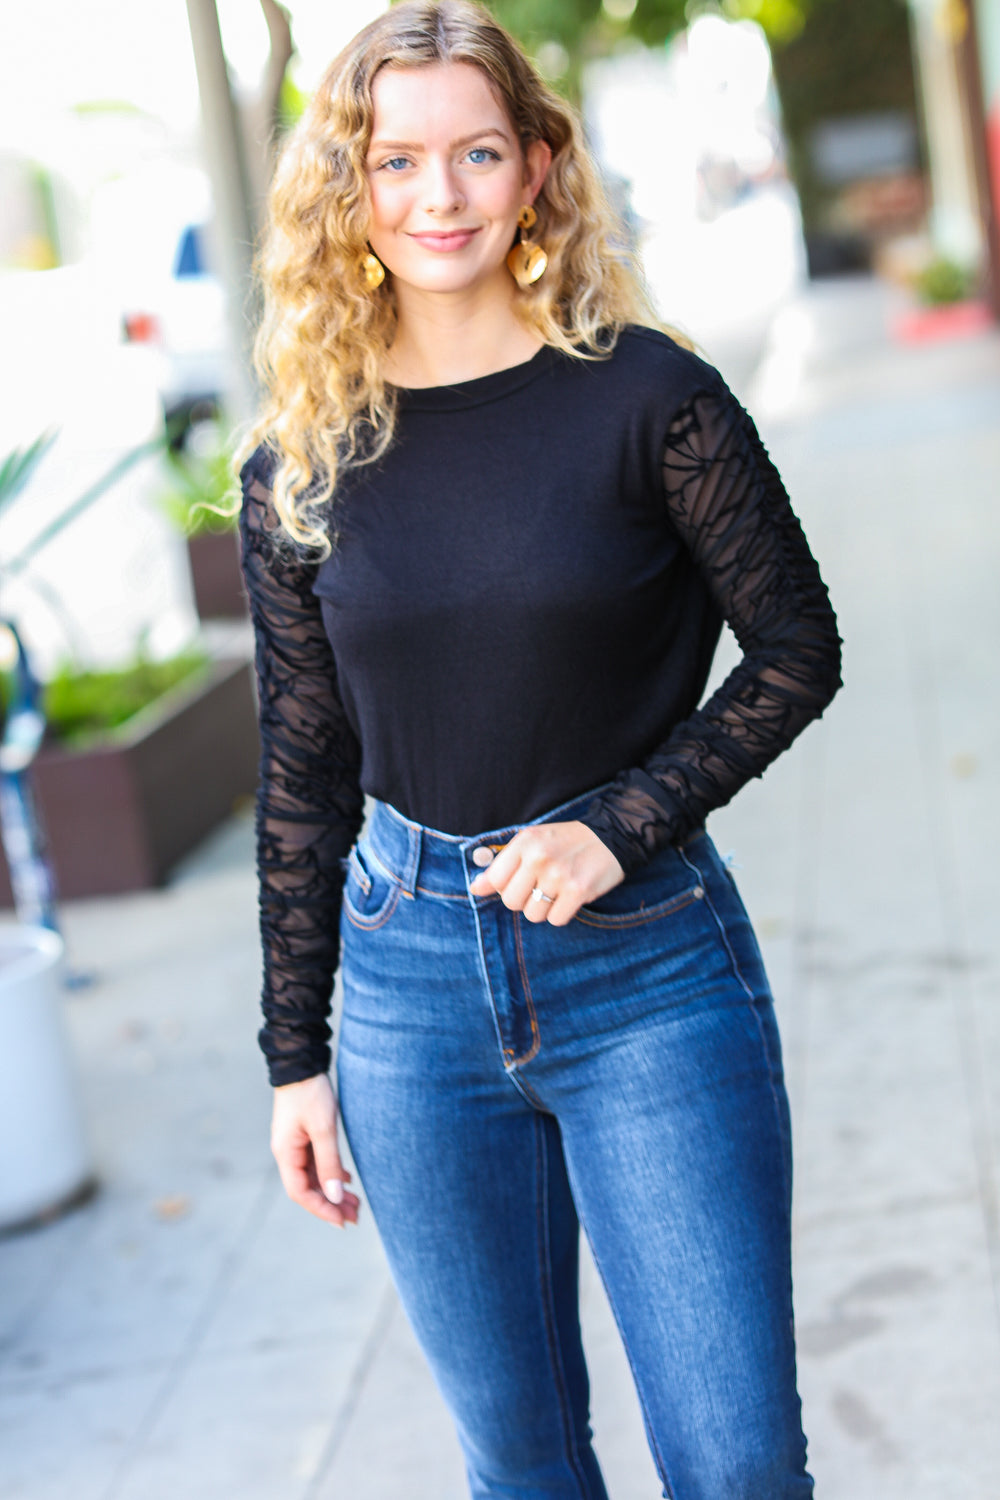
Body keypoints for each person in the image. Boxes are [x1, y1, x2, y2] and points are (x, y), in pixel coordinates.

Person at [236, 3, 841, 1496]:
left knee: (737, 1464)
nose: (438, 196)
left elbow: (797, 650)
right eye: (398, 161)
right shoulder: (303, 459)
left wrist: (622, 822)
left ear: (539, 170)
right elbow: (305, 769)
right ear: (350, 189)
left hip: (645, 968)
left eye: (477, 152)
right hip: (404, 990)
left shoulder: (652, 402)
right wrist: (295, 1057)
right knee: (518, 1462)